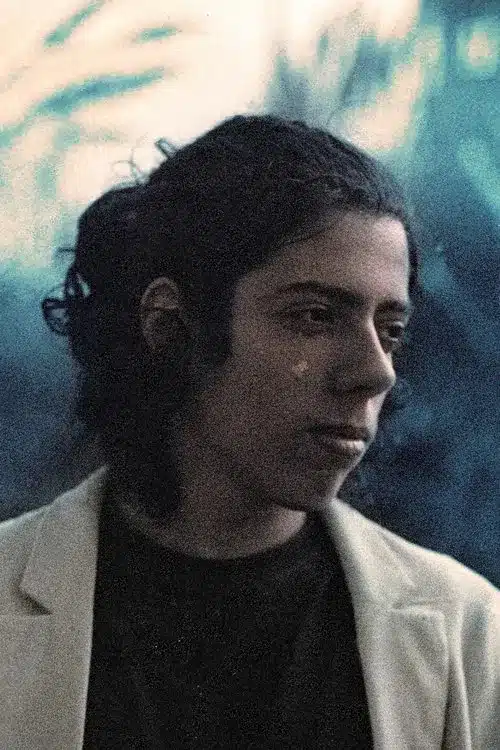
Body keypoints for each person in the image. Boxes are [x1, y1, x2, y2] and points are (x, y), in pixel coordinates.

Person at [0, 115, 498, 750]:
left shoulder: (466, 633)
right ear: (170, 324)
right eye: (315, 316)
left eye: (391, 330)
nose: (377, 372)